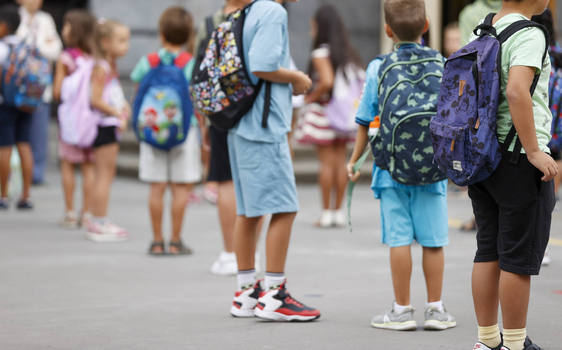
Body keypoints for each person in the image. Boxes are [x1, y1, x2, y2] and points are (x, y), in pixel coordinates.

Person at [347, 0, 456, 332]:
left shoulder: (379, 67)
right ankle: (436, 310)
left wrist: (353, 162)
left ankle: (402, 310)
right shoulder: (442, 63)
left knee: (399, 240)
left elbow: (365, 121)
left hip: (390, 170)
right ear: (426, 27)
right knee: (433, 240)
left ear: (387, 30)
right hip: (433, 169)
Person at [467, 1, 557, 350]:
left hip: (482, 155)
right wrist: (534, 150)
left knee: (488, 250)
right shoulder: (530, 34)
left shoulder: (485, 25)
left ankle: (488, 341)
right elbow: (517, 90)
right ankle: (514, 344)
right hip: (518, 158)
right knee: (517, 258)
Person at [227, 0, 320, 321]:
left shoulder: (248, 10)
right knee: (284, 207)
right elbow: (262, 65)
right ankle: (275, 295)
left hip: (241, 123)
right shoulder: (272, 11)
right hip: (264, 127)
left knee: (249, 210)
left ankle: (246, 293)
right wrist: (297, 79)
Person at [193, 0, 262, 274]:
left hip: (221, 112)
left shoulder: (210, 23)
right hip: (253, 110)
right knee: (254, 181)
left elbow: (199, 74)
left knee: (224, 180)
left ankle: (229, 253)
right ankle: (251, 254)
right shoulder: (258, 19)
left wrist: (204, 118)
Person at [130, 7, 201, 255]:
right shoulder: (190, 64)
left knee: (156, 187)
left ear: (161, 34)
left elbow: (138, 85)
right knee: (180, 187)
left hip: (153, 130)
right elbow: (196, 98)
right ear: (189, 36)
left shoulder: (148, 62)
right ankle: (175, 241)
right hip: (184, 132)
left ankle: (157, 241)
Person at [303, 4, 362, 228]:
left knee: (326, 165)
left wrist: (312, 96)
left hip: (326, 113)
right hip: (344, 116)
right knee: (340, 162)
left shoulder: (320, 52)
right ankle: (338, 211)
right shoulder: (347, 52)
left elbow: (326, 81)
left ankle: (327, 212)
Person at [85, 19, 131, 242]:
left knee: (105, 174)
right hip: (104, 127)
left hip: (108, 125)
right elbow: (94, 99)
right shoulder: (101, 67)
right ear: (105, 42)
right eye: (121, 41)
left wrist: (122, 108)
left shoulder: (107, 66)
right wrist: (116, 112)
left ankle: (97, 218)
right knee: (104, 174)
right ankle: (99, 220)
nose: (126, 46)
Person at [52, 10, 96, 228]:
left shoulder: (66, 58)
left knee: (68, 164)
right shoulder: (95, 58)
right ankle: (86, 213)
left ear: (75, 30)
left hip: (70, 121)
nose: (63, 29)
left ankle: (70, 212)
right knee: (89, 166)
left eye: (67, 25)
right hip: (91, 121)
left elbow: (57, 91)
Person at [16, 0, 62, 185]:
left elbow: (55, 49)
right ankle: (15, 175)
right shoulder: (14, 16)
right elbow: (16, 45)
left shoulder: (46, 19)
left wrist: (36, 47)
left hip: (40, 87)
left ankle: (36, 174)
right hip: (18, 87)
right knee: (15, 133)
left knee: (38, 134)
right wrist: (41, 46)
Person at [0, 4, 34, 211]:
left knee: (4, 147)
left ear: (4, 25)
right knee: (24, 144)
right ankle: (26, 195)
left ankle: (3, 194)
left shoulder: (2, 48)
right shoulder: (26, 46)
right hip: (26, 103)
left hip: (5, 103)